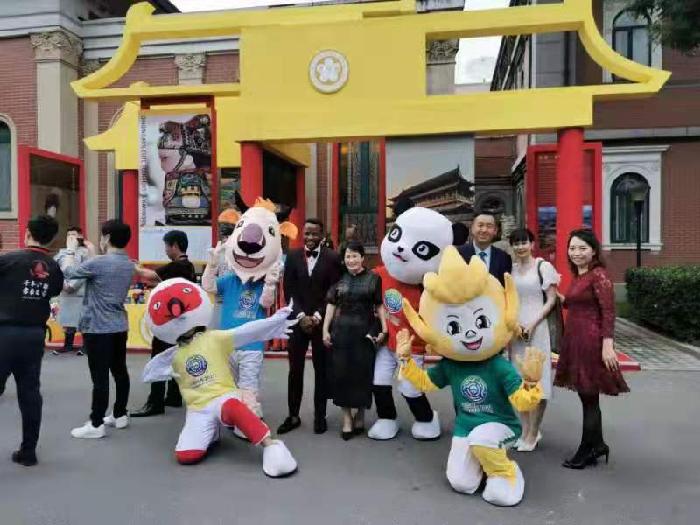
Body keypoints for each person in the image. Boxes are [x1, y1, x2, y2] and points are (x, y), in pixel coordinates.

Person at [142, 278, 299, 476]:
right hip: (197, 409)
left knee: (233, 407)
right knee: (186, 456)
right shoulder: (173, 356)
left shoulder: (214, 338)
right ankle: (212, 432)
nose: (176, 312)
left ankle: (271, 445)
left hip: (223, 397)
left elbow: (246, 331)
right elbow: (151, 372)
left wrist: (274, 322)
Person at [63, 220, 157, 439]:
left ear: (106, 238)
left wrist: (70, 250)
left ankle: (96, 424)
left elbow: (69, 271)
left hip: (97, 327)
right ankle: (119, 414)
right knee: (119, 371)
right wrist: (94, 253)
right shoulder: (128, 263)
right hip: (118, 325)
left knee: (100, 377)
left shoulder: (98, 263)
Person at [202, 197, 294, 420]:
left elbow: (266, 303)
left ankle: (250, 420)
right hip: (228, 342)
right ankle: (235, 417)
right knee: (230, 385)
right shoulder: (230, 280)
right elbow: (209, 286)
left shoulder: (263, 283)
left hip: (252, 345)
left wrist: (270, 282)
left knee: (248, 387)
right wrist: (212, 265)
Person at [554, 229, 629, 469]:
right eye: (572, 248)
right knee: (587, 397)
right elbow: (573, 303)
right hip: (575, 340)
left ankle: (587, 449)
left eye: (582, 248)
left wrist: (608, 345)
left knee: (588, 397)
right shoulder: (580, 275)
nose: (576, 253)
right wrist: (551, 291)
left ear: (594, 251)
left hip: (591, 341)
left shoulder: (599, 275)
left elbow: (609, 311)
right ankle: (598, 444)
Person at [0, 215, 64, 466]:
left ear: (27, 233)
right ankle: (28, 451)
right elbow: (55, 291)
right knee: (30, 392)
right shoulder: (54, 267)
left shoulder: (9, 260)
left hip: (4, 332)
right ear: (53, 239)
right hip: (34, 335)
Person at [277, 218, 342, 435]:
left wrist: (317, 316)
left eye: (315, 233)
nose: (310, 237)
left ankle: (320, 417)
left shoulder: (333, 258)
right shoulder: (293, 256)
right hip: (298, 322)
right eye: (307, 233)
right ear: (302, 234)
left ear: (322, 235)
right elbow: (289, 290)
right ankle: (293, 415)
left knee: (321, 371)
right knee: (295, 371)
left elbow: (334, 290)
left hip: (321, 322)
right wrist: (301, 316)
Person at [322, 241, 387, 440]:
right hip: (341, 332)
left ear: (362, 258)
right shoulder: (339, 278)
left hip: (364, 333)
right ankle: (347, 419)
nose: (351, 260)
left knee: (362, 376)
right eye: (348, 256)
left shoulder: (374, 279)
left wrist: (384, 328)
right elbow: (331, 304)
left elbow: (378, 305)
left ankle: (360, 414)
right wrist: (325, 329)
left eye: (354, 256)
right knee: (342, 376)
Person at [132, 230, 196, 417]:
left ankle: (155, 402)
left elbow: (149, 275)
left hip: (169, 321)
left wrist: (135, 267)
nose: (166, 250)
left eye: (166, 246)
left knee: (159, 359)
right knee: (175, 357)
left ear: (174, 245)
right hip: (183, 322)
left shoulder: (177, 266)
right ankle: (174, 396)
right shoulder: (189, 266)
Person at [508, 228, 560, 451]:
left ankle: (533, 432)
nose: (520, 246)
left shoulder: (543, 267)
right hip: (516, 331)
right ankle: (526, 429)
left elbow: (551, 300)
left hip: (537, 328)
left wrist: (532, 323)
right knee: (519, 380)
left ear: (532, 244)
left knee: (538, 380)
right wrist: (515, 325)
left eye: (524, 242)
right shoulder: (511, 269)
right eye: (516, 243)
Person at [53, 226, 94, 356]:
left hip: (80, 291)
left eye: (73, 234)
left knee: (82, 319)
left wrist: (72, 285)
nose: (71, 237)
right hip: (65, 291)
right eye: (68, 235)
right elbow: (55, 270)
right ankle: (68, 345)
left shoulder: (86, 252)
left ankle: (86, 346)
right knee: (67, 320)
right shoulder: (61, 253)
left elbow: (86, 271)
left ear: (80, 236)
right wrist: (63, 284)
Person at [458, 210, 512, 286]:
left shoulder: (504, 258)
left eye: (489, 226)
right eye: (480, 225)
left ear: (495, 230)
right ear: (472, 228)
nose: (484, 230)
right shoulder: (458, 254)